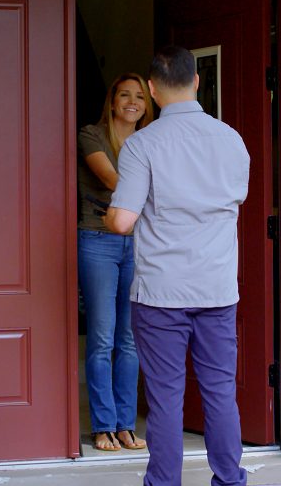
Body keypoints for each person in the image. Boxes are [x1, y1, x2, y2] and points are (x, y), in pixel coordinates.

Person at [105, 46, 250, 486]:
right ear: (197, 82)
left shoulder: (142, 144)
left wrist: (113, 215)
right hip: (217, 289)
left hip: (161, 294)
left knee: (166, 399)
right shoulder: (231, 139)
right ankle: (230, 480)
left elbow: (124, 220)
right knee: (220, 392)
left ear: (151, 90)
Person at [78, 72, 153, 452]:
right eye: (125, 95)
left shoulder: (149, 139)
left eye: (139, 96)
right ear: (112, 101)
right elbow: (112, 180)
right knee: (103, 338)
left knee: (130, 339)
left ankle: (125, 424)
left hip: (138, 242)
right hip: (98, 239)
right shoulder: (92, 135)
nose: (132, 102)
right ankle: (102, 425)